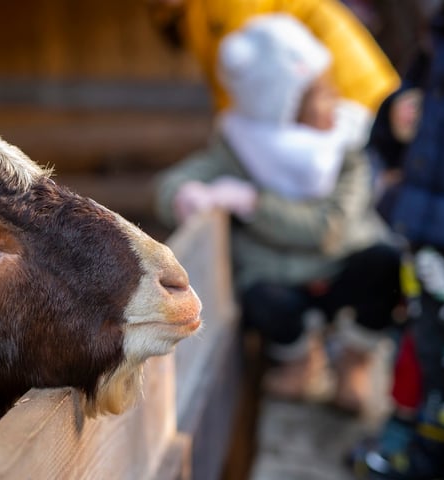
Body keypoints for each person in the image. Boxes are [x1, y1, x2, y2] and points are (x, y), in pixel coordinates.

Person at [153, 14, 402, 413]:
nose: (335, 100)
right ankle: (301, 359)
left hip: (342, 264)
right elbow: (172, 183)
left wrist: (254, 204)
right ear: (283, 106)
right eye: (320, 95)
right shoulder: (242, 145)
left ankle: (353, 361)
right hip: (281, 279)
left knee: (386, 265)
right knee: (262, 298)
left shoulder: (345, 146)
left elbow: (328, 229)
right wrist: (185, 195)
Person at [350, 1, 444, 477]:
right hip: (428, 230)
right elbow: (404, 115)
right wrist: (396, 119)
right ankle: (416, 450)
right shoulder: (440, 35)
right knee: (425, 345)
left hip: (437, 224)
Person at [146, 0, 400, 149]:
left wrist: (229, 145)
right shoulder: (191, 12)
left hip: (346, 96)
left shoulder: (221, 7)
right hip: (326, 96)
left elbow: (241, 77)